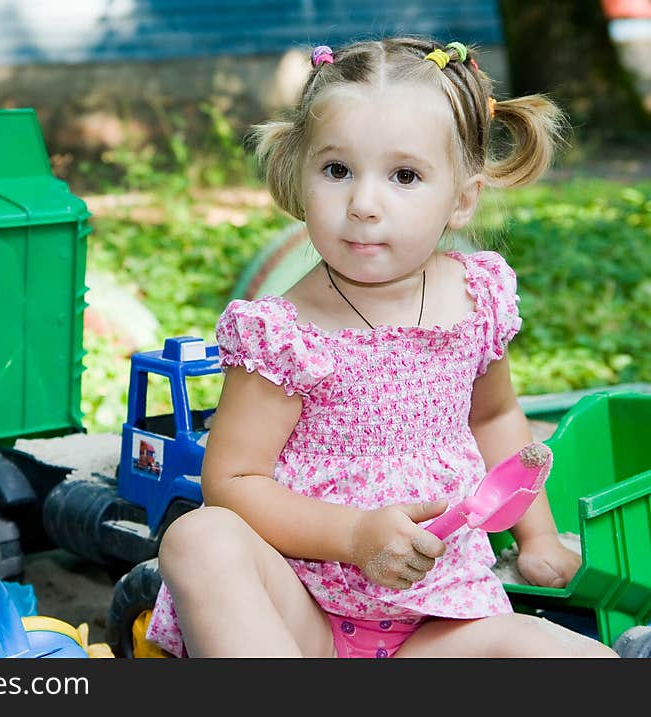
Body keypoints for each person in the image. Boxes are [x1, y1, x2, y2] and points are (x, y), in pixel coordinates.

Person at [147, 36, 618, 658]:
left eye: (404, 176)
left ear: (462, 198)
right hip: (300, 615)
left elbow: (496, 417)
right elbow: (232, 480)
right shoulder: (285, 334)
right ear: (298, 171)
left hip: (442, 622)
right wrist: (353, 535)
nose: (364, 205)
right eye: (337, 170)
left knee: (585, 661)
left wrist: (539, 535)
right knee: (197, 537)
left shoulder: (476, 299)